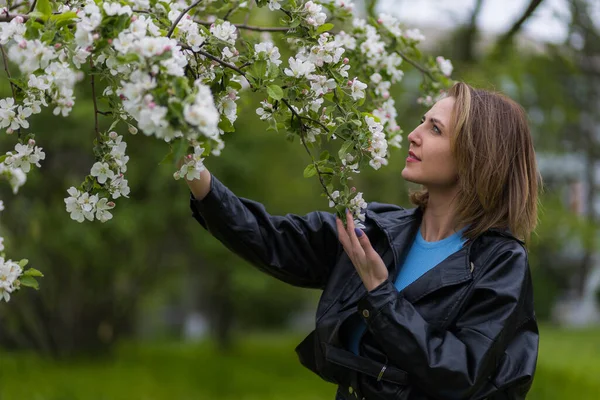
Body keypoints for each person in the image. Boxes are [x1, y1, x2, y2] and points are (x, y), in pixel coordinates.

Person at [184, 82, 540, 400]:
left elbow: (460, 373)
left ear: (476, 154)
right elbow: (272, 240)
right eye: (422, 121)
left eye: (435, 129)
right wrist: (196, 172)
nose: (414, 135)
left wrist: (380, 292)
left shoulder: (500, 262)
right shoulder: (379, 228)